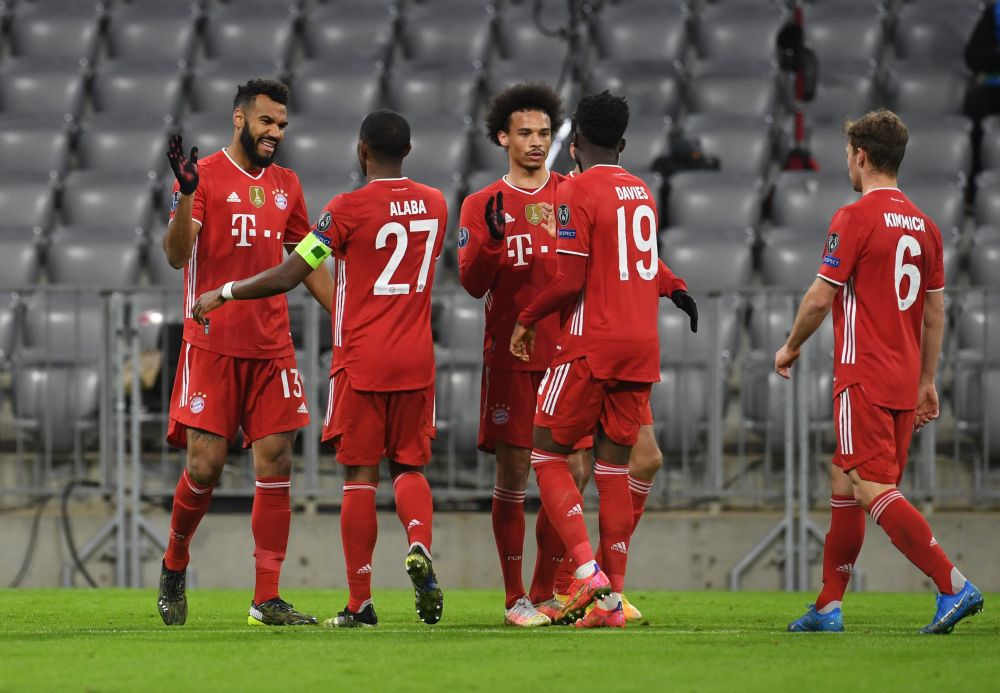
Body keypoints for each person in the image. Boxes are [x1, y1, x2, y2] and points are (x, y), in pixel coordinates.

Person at [193, 110, 447, 629]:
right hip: (419, 358)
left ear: (361, 151)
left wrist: (225, 291)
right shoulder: (437, 203)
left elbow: (292, 272)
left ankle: (360, 603)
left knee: (359, 478)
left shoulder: (346, 210)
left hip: (362, 358)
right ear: (409, 151)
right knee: (410, 468)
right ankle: (418, 540)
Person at [775, 109, 983, 634]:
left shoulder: (854, 217)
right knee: (844, 477)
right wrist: (927, 381)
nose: (848, 161)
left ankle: (952, 584)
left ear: (861, 156)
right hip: (902, 379)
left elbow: (821, 297)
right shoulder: (926, 227)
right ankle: (827, 605)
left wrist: (791, 345)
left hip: (862, 375)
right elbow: (935, 312)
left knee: (869, 486)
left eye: (848, 153)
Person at [157, 78, 334, 627]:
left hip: (272, 347)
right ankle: (175, 560)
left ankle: (266, 597)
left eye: (281, 124)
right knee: (205, 468)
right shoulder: (204, 176)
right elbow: (175, 255)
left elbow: (306, 260)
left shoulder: (288, 186)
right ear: (239, 119)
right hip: (211, 344)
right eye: (266, 122)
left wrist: (348, 318)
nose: (275, 132)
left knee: (276, 460)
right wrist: (185, 194)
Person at [510, 91, 666, 629]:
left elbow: (570, 277)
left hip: (589, 344)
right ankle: (612, 603)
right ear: (622, 144)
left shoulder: (575, 190)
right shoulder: (642, 192)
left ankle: (586, 570)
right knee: (613, 469)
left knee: (548, 454)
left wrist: (527, 317)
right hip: (642, 346)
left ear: (573, 143)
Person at [458, 82, 583, 627]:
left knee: (570, 472)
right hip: (510, 357)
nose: (537, 142)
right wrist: (488, 242)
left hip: (566, 357)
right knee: (514, 477)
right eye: (526, 133)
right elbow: (470, 283)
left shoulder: (573, 194)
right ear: (502, 137)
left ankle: (546, 590)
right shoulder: (481, 203)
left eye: (545, 133)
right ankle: (514, 599)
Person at [964, 1, 1000, 174]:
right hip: (996, 87)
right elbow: (973, 57)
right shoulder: (994, 13)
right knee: (978, 102)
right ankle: (976, 179)